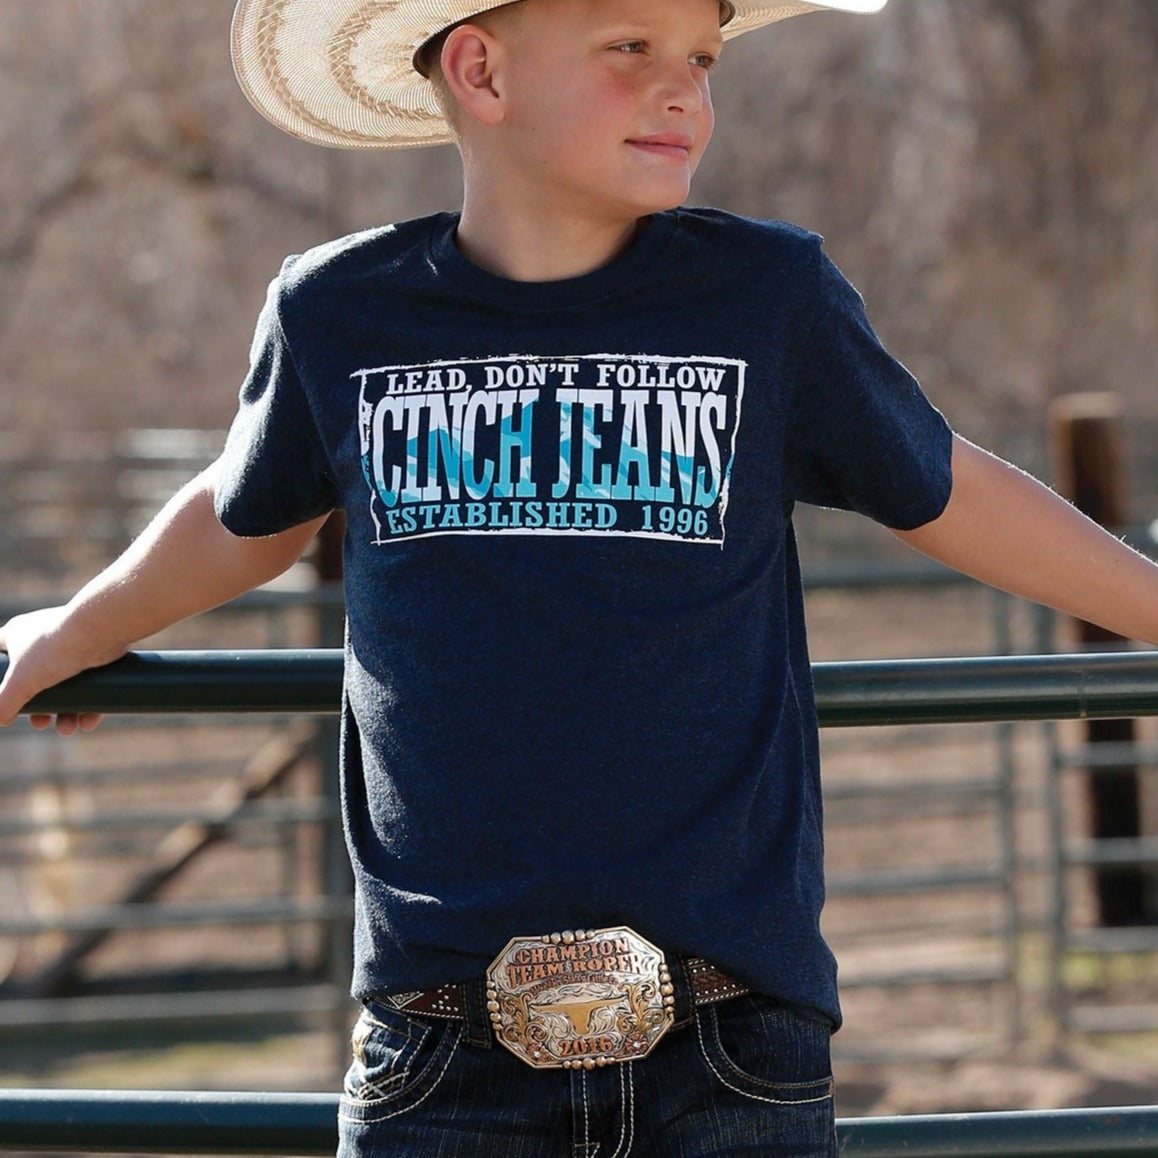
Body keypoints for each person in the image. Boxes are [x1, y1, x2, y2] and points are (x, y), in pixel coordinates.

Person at [2, 0, 1158, 1153]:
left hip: (728, 1036)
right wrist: (81, 623)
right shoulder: (341, 312)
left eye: (702, 58)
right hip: (439, 1043)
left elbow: (944, 487)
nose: (686, 90)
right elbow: (244, 514)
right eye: (632, 50)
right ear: (480, 71)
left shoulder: (765, 299)